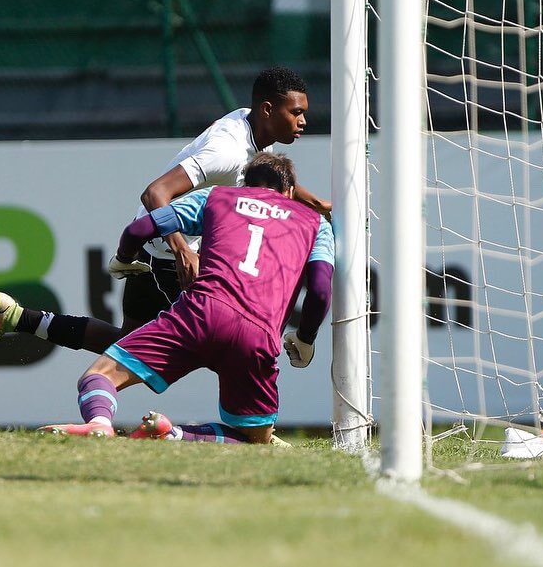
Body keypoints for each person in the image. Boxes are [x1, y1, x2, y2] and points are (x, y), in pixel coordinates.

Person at [0, 66, 331, 359]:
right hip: (172, 251)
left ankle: (15, 317)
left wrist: (319, 205)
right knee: (233, 339)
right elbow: (156, 192)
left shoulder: (251, 124)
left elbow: (266, 177)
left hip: (154, 244)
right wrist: (183, 249)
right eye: (296, 113)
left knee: (126, 343)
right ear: (269, 109)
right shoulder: (227, 152)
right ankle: (256, 429)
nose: (303, 121)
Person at [38, 153, 333, 443]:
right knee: (255, 438)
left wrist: (124, 257)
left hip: (199, 313)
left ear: (245, 185)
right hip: (257, 334)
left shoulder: (218, 197)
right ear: (290, 192)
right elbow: (320, 289)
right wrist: (305, 338)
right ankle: (173, 435)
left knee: (99, 375)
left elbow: (141, 227)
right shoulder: (315, 223)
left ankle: (99, 423)